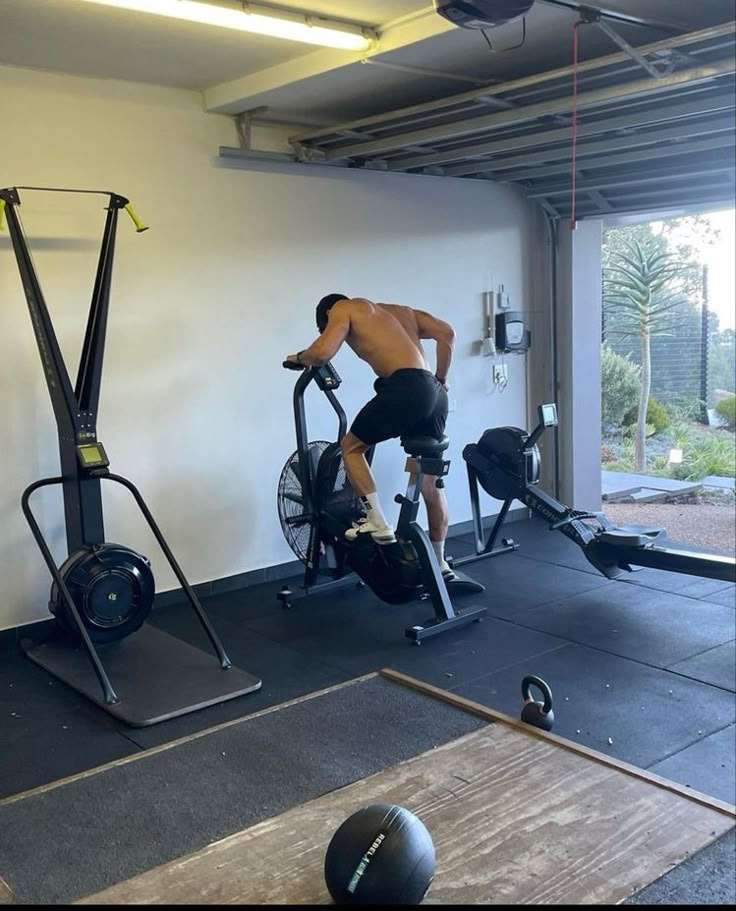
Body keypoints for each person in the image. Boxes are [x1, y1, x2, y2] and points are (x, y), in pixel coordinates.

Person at [285, 293, 460, 582]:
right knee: (428, 479)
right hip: (434, 393)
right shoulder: (402, 310)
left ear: (328, 313)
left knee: (351, 447)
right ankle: (440, 564)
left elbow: (321, 352)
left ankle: (377, 522)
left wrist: (297, 358)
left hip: (406, 388)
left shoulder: (344, 307)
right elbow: (447, 333)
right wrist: (441, 379)